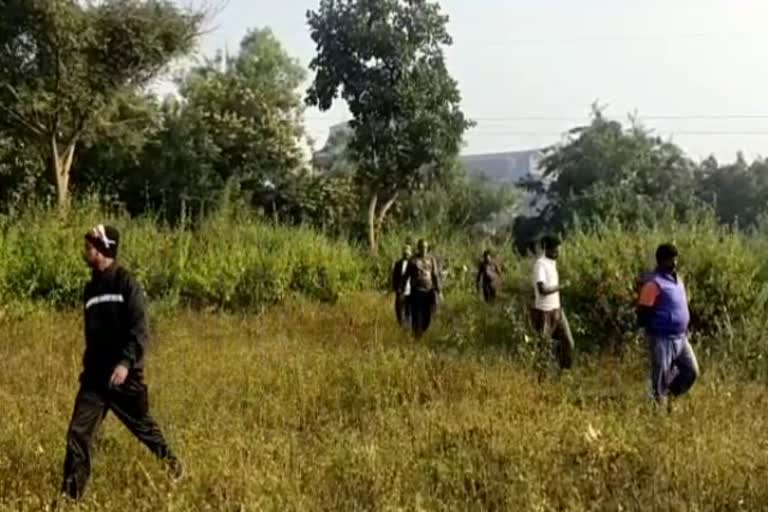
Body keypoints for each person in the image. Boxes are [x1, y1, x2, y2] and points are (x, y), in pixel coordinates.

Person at [60, 224, 183, 500]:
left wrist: (125, 363)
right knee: (77, 434)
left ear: (105, 249)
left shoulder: (127, 283)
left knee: (144, 428)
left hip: (123, 377)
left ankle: (173, 465)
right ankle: (70, 496)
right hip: (94, 378)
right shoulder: (90, 289)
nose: (86, 251)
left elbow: (139, 330)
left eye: (91, 246)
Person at [637, 243, 699, 406]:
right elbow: (643, 312)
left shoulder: (678, 280)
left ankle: (669, 397)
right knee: (660, 378)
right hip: (662, 339)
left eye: (676, 260)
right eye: (671, 260)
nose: (675, 263)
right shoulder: (653, 283)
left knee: (690, 371)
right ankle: (657, 412)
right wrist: (656, 328)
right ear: (661, 261)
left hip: (681, 338)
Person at [530, 235, 574, 370]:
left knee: (568, 343)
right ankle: (540, 379)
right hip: (545, 312)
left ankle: (564, 373)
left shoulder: (552, 263)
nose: (558, 252)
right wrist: (561, 287)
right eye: (556, 250)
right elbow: (542, 289)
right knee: (543, 347)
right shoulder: (540, 264)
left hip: (557, 311)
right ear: (548, 249)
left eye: (559, 249)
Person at [405, 239, 442, 338]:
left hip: (428, 292)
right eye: (421, 247)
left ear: (427, 248)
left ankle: (422, 330)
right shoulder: (413, 260)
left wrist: (439, 290)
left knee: (427, 316)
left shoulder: (431, 259)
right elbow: (406, 275)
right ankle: (416, 335)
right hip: (416, 291)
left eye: (425, 247)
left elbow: (435, 275)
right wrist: (402, 287)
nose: (423, 249)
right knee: (417, 315)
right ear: (418, 248)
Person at [391, 243, 413, 327]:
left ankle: (409, 327)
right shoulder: (398, 264)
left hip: (412, 291)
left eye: (408, 253)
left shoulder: (414, 263)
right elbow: (394, 277)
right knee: (399, 310)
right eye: (405, 253)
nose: (406, 254)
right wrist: (395, 288)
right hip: (401, 291)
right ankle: (401, 325)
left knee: (410, 311)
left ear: (410, 253)